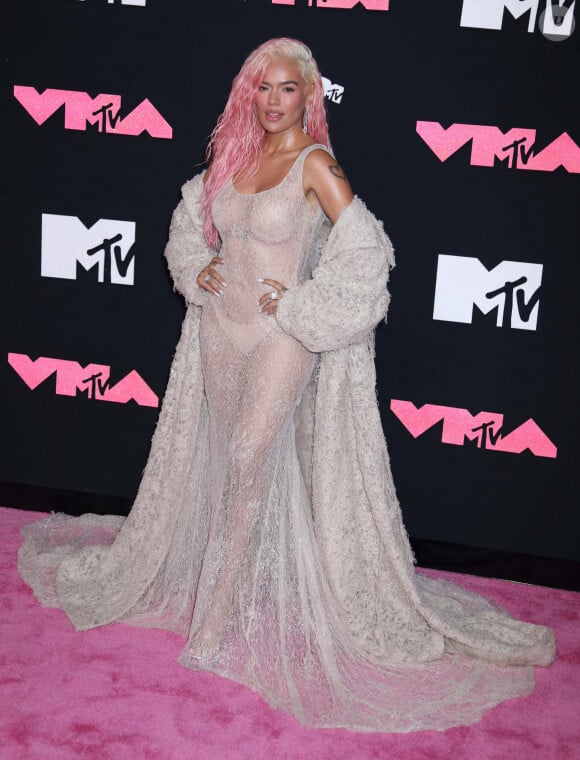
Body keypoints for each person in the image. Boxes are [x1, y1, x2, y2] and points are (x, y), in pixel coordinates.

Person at [18, 38, 555, 733]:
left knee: (247, 457)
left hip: (280, 339)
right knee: (222, 459)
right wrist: (198, 266)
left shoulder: (316, 165)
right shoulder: (233, 159)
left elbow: (368, 254)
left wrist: (301, 305)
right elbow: (189, 224)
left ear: (310, 95)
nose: (274, 101)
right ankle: (229, 582)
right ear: (252, 93)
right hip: (221, 331)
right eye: (263, 88)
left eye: (288, 89)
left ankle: (216, 622)